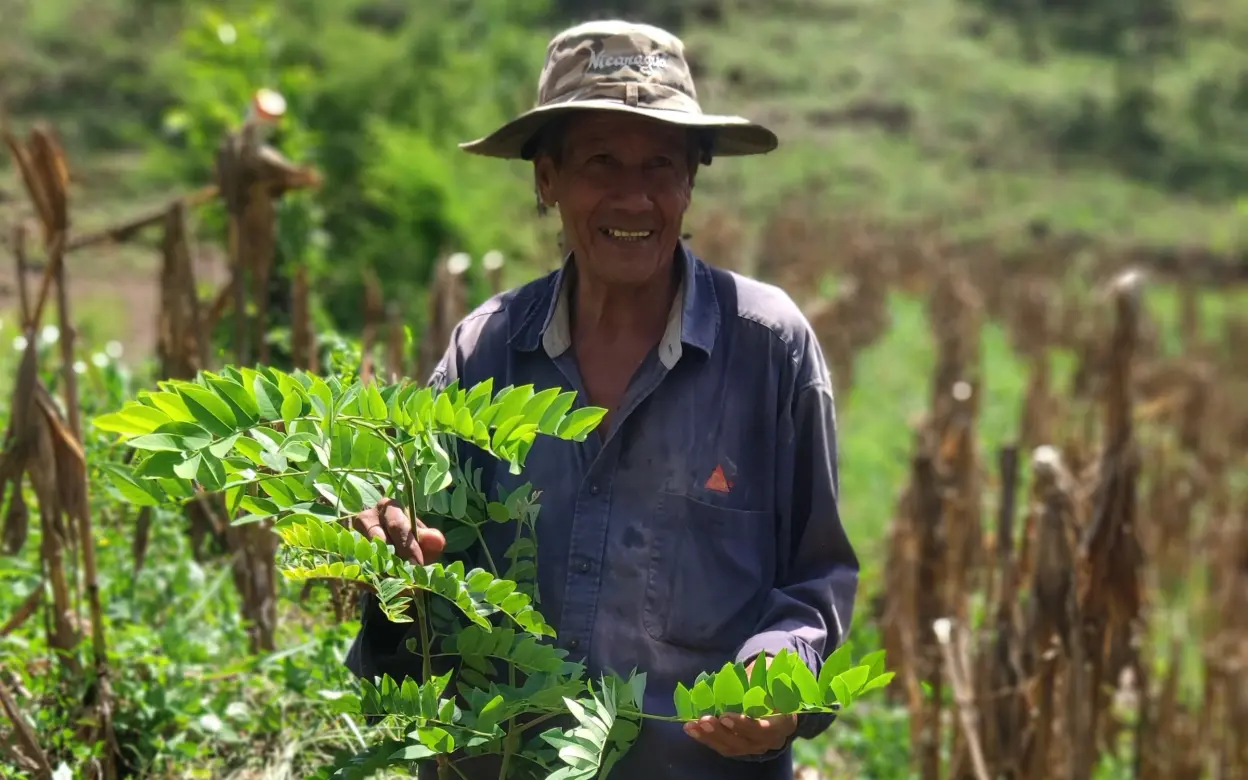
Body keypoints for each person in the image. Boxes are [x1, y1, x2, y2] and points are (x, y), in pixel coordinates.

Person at [344, 19, 859, 780]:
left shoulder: (768, 350)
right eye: (601, 162)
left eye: (660, 163)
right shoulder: (485, 353)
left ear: (692, 178)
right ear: (546, 179)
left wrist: (778, 680)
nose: (634, 195)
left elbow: (814, 581)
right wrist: (393, 553)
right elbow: (419, 586)